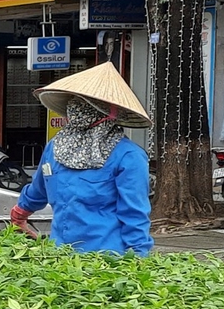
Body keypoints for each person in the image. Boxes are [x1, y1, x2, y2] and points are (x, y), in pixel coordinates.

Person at [11, 63, 152, 255]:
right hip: (59, 256)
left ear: (102, 111)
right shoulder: (55, 147)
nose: (76, 108)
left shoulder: (129, 156)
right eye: (75, 102)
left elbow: (134, 215)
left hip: (107, 262)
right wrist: (20, 213)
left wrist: (138, 257)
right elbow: (39, 190)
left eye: (84, 103)